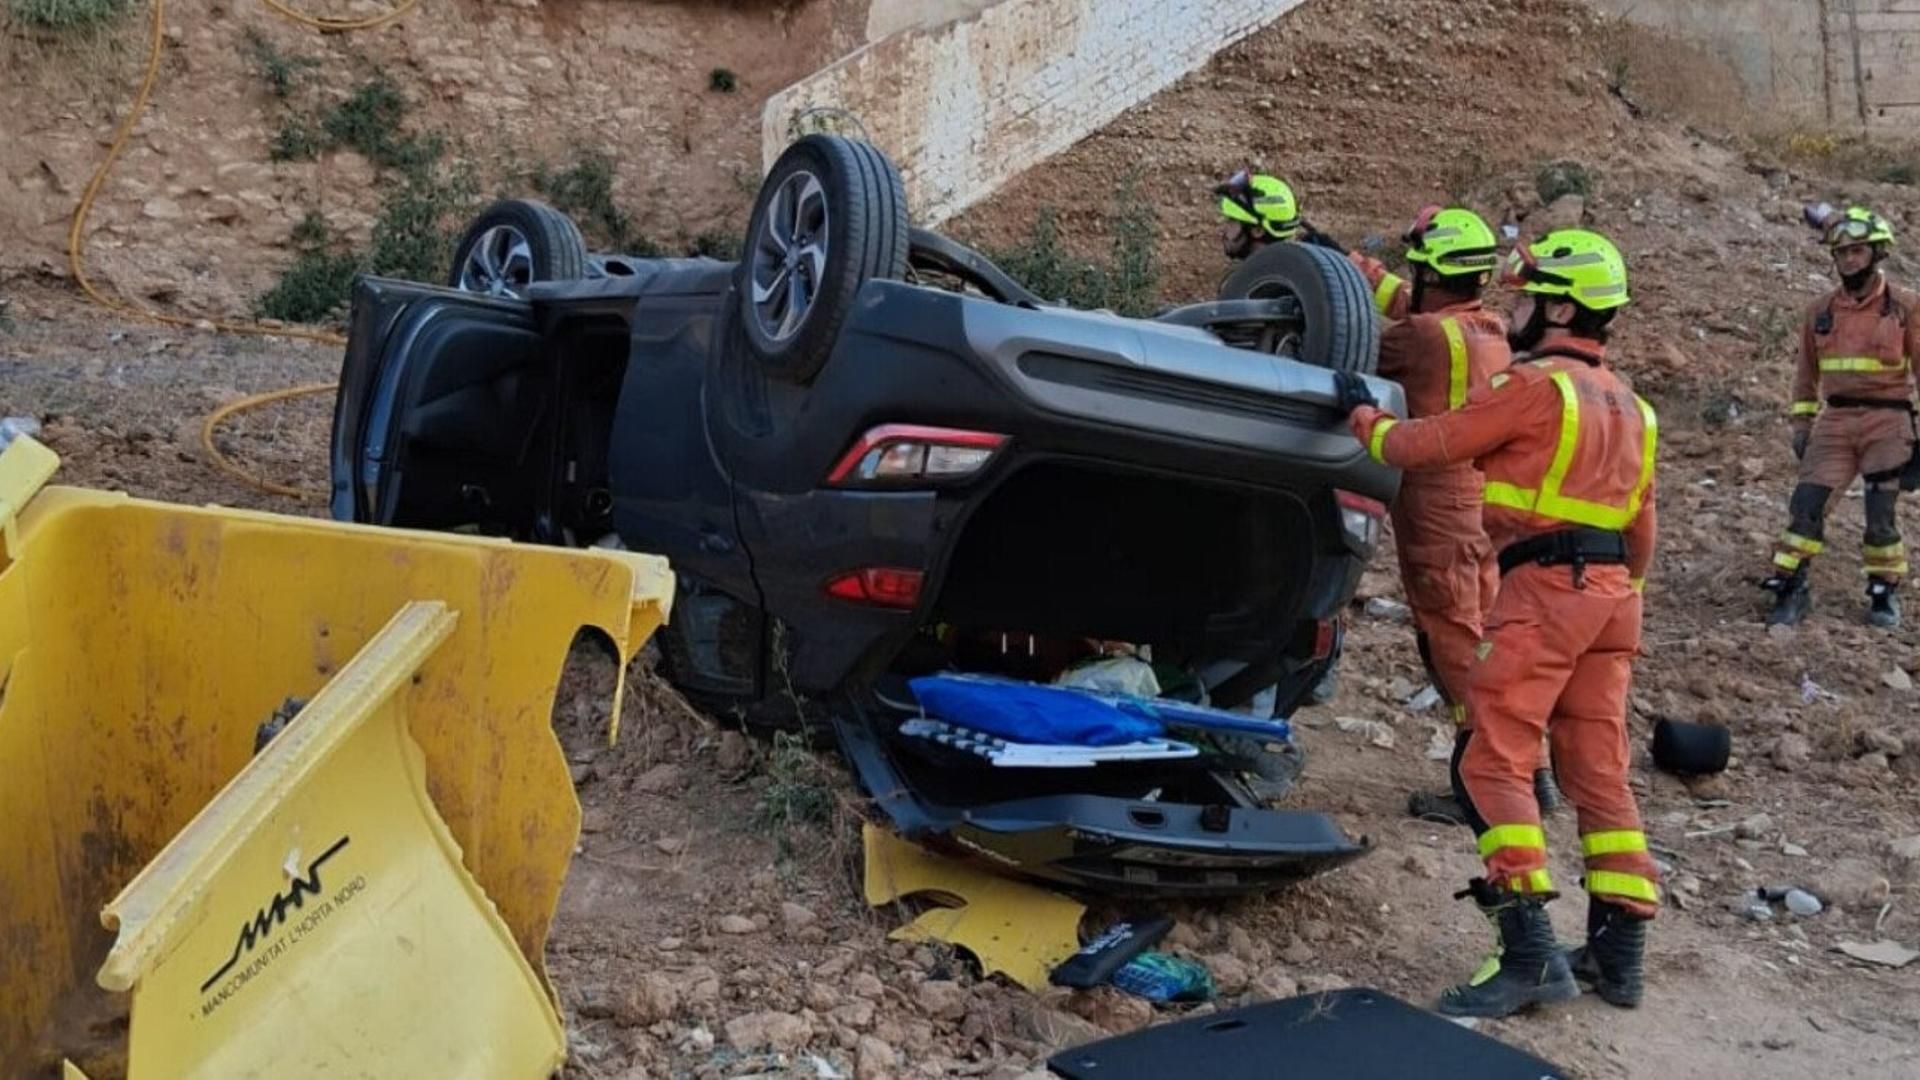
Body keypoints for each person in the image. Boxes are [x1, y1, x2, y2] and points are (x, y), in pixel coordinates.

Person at [1339, 229, 1660, 1017]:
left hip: (1546, 588)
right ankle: (1619, 955)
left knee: (1491, 763)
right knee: (1597, 770)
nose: (1513, 306)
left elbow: (1429, 441)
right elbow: (1643, 527)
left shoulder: (1536, 385)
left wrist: (1359, 417)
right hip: (1614, 596)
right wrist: (1614, 595)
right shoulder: (1633, 406)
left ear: (1558, 302)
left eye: (1526, 293)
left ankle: (1528, 953)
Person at [1345, 208, 1560, 824]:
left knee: (1456, 647)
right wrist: (1353, 263)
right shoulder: (1488, 328)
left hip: (1439, 515)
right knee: (1485, 640)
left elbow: (1355, 348)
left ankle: (1484, 793)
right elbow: (1407, 305)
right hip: (1480, 510)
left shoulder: (1424, 337)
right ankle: (1532, 774)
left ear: (1430, 270)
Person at [1760, 205, 1920, 628]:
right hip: (1836, 422)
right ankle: (1792, 587)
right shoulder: (1820, 311)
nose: (1849, 259)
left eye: (1858, 251)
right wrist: (1801, 424)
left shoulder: (1904, 307)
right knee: (1806, 507)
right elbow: (1805, 374)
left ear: (1876, 253)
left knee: (1880, 512)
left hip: (1890, 421)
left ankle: (1884, 592)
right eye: (1842, 252)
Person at [1214, 169, 1304, 260]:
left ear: (1258, 231)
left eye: (1232, 220)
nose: (1224, 230)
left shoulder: (1253, 273)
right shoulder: (1298, 264)